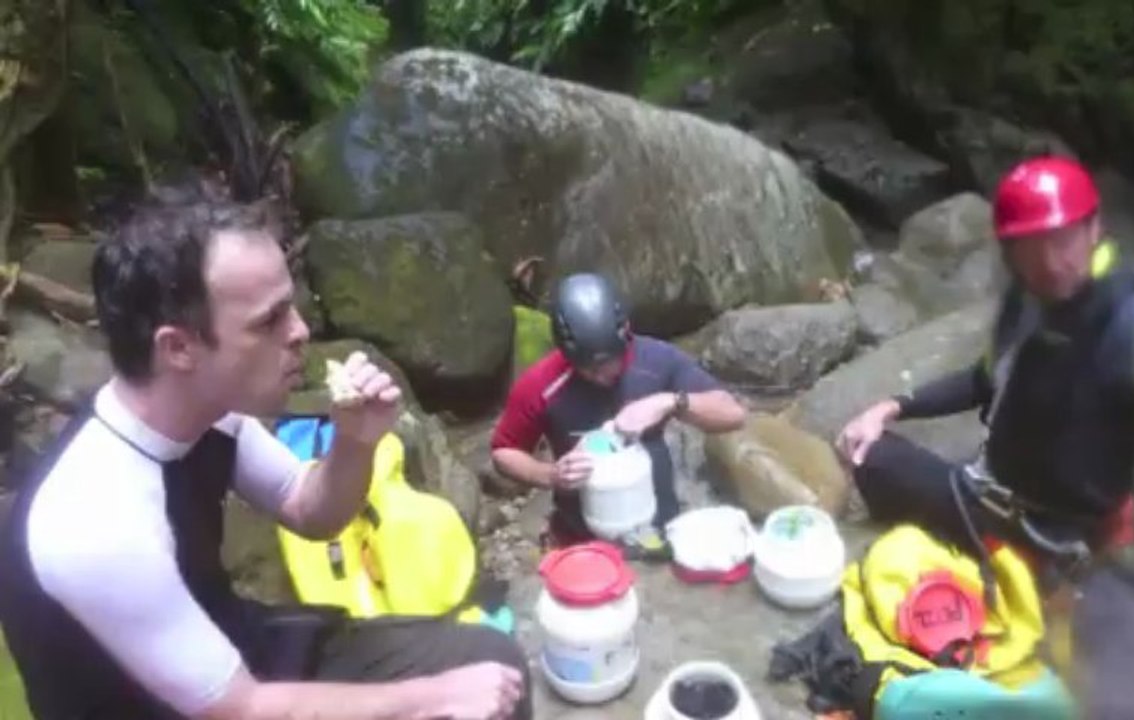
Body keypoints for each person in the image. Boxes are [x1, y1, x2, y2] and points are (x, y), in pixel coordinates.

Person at [0, 198, 532, 720]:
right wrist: (431, 698)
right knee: (456, 698)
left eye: (292, 306)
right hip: (187, 703)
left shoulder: (210, 415)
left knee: (489, 659)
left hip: (236, 652)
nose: (300, 332)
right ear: (178, 348)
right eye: (270, 320)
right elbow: (237, 708)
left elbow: (312, 511)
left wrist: (354, 442)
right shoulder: (94, 520)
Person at [835, 156, 1134, 718]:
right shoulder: (1026, 305)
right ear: (1009, 251)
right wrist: (892, 405)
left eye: (1063, 239)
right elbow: (982, 379)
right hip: (985, 503)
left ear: (1093, 231)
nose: (1049, 261)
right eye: (1029, 246)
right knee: (868, 454)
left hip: (1071, 545)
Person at [490, 272, 747, 555]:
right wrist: (549, 475)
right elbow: (504, 451)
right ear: (566, 353)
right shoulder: (541, 384)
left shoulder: (656, 360)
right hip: (581, 536)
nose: (602, 376)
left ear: (625, 333)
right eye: (589, 368)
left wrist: (670, 401)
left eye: (610, 362)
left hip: (657, 524)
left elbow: (733, 414)